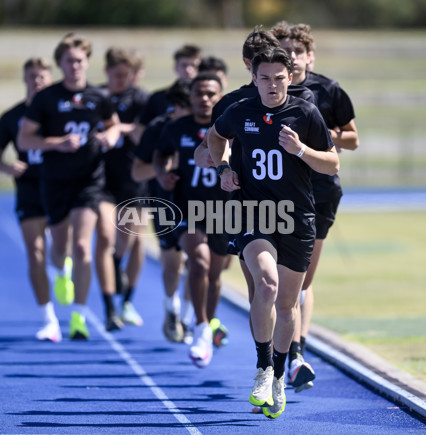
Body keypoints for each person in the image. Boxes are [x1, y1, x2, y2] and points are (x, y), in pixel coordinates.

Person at [207, 47, 339, 418]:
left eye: (279, 78)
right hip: (254, 212)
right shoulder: (240, 110)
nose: (271, 85)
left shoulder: (305, 112)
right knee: (265, 284)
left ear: (290, 76)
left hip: (298, 218)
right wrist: (223, 169)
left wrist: (301, 151)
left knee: (286, 305)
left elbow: (331, 164)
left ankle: (279, 376)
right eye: (264, 77)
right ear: (254, 77)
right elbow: (215, 138)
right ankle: (263, 369)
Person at [271, 21, 359, 391]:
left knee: (303, 278)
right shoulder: (270, 90)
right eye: (285, 49)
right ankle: (282, 352)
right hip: (277, 194)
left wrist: (321, 133)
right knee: (276, 280)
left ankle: (298, 353)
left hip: (320, 191)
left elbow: (353, 139)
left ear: (309, 55)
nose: (291, 56)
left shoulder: (329, 90)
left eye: (297, 50)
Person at [18, 33, 122, 340]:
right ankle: (62, 271)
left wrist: (111, 137)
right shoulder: (46, 98)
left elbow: (112, 124)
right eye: (69, 61)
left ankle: (78, 315)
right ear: (61, 63)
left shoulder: (98, 97)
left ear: (87, 62)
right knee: (61, 247)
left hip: (88, 181)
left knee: (82, 246)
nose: (75, 66)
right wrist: (56, 143)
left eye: (80, 60)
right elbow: (25, 139)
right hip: (55, 181)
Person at [154, 72, 228, 368]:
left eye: (211, 93)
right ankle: (199, 328)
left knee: (215, 275)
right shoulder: (177, 128)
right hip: (188, 208)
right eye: (199, 94)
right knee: (198, 262)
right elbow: (159, 155)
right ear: (191, 97)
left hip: (225, 211)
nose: (205, 99)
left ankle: (207, 325)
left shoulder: (231, 127)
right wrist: (162, 174)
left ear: (220, 96)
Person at [0, 57, 65, 342]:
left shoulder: (60, 111)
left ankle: (63, 268)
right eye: (32, 77)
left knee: (61, 248)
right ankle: (49, 319)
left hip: (59, 187)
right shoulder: (12, 116)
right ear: (25, 79)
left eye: (42, 77)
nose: (37, 82)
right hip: (29, 190)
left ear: (50, 79)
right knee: (35, 252)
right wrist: (7, 167)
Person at [131, 79, 193, 343]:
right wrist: (164, 169)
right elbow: (137, 172)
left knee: (204, 263)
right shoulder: (158, 128)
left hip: (203, 204)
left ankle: (190, 319)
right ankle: (173, 308)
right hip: (166, 203)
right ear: (177, 106)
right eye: (189, 106)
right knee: (173, 266)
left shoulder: (210, 125)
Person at [99, 47, 150, 329]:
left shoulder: (141, 100)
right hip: (102, 178)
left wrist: (121, 128)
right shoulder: (97, 96)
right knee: (108, 237)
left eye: (127, 75)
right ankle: (112, 291)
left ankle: (127, 299)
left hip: (134, 177)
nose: (122, 79)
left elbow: (146, 133)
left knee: (135, 240)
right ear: (107, 72)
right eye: (117, 74)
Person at [135, 44, 202, 140]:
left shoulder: (206, 98)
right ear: (176, 67)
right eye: (184, 65)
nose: (188, 70)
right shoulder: (158, 97)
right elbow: (139, 128)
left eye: (193, 65)